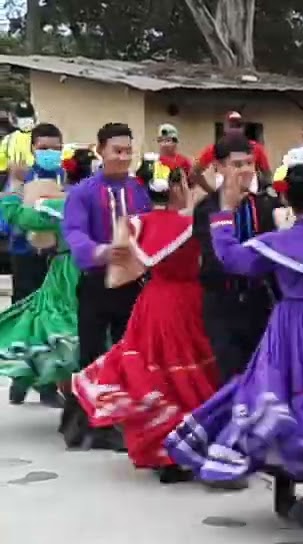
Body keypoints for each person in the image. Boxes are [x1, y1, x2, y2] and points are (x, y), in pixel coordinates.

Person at [166, 161, 303, 514]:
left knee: (280, 395)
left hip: (290, 326)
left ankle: (284, 491)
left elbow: (231, 258)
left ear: (287, 199)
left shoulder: (278, 242)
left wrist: (225, 214)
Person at [71, 156, 218, 483]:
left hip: (152, 302)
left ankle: (161, 451)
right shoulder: (194, 225)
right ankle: (188, 448)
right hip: (189, 303)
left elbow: (119, 276)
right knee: (190, 377)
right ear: (179, 187)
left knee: (155, 375)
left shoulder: (138, 223)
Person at [59, 122, 152, 451]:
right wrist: (99, 251)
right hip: (97, 282)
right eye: (118, 151)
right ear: (101, 151)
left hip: (131, 283)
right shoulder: (83, 192)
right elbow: (73, 233)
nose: (124, 157)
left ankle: (116, 419)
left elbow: (149, 225)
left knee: (126, 352)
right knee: (91, 352)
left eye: (128, 151)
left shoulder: (138, 190)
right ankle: (82, 422)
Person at [0, 148, 96, 407]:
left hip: (66, 274)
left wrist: (16, 184)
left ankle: (66, 396)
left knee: (52, 328)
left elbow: (18, 215)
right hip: (101, 270)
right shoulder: (107, 200)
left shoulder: (62, 206)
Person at [193, 133, 279, 382]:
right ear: (219, 166)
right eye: (237, 164)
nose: (245, 171)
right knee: (231, 377)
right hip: (223, 305)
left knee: (263, 376)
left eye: (249, 164)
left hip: (259, 303)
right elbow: (213, 261)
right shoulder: (207, 209)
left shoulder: (265, 206)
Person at [2, 122, 71, 406]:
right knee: (26, 315)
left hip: (56, 261)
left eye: (56, 148)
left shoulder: (65, 178)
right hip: (24, 255)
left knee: (48, 320)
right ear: (32, 149)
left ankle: (45, 385)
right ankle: (20, 379)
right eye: (44, 148)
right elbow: (6, 221)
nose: (50, 153)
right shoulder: (21, 178)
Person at [191, 111, 272, 195]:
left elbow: (267, 173)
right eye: (231, 125)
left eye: (238, 126)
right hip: (223, 198)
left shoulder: (256, 148)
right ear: (225, 127)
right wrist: (211, 192)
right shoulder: (214, 149)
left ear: (243, 128)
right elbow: (195, 172)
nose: (234, 129)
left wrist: (266, 192)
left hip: (249, 199)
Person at [0, 101, 37, 179]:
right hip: (14, 181)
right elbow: (1, 165)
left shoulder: (41, 135)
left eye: (28, 116)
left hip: (37, 180)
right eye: (22, 117)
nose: (25, 120)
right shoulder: (8, 140)